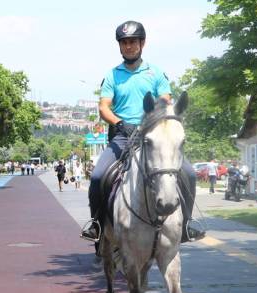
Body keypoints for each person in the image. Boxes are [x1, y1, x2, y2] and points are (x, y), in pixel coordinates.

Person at [81, 20, 204, 243]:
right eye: (124, 42)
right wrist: (120, 123)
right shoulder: (112, 75)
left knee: (189, 173)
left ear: (142, 43)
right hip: (122, 136)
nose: (129, 46)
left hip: (153, 134)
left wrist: (150, 121)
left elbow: (165, 99)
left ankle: (187, 224)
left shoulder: (155, 73)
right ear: (120, 45)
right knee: (98, 176)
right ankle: (96, 224)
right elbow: (104, 107)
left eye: (133, 42)